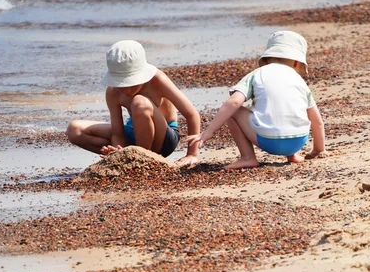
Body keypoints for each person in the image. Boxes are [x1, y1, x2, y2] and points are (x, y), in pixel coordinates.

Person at [189, 30, 327, 169]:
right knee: (289, 107)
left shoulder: (257, 74)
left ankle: (248, 158)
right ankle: (293, 155)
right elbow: (318, 122)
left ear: (266, 60)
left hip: (268, 141)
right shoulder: (300, 82)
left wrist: (209, 132)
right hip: (298, 140)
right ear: (297, 63)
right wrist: (318, 150)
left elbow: (234, 102)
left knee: (234, 112)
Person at [67, 40, 200, 166]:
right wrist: (118, 152)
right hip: (134, 133)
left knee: (139, 102)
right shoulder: (113, 92)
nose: (125, 89)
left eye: (130, 83)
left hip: (164, 138)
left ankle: (140, 158)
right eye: (120, 83)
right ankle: (129, 157)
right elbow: (117, 133)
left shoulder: (158, 80)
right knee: (74, 129)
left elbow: (192, 114)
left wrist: (192, 154)